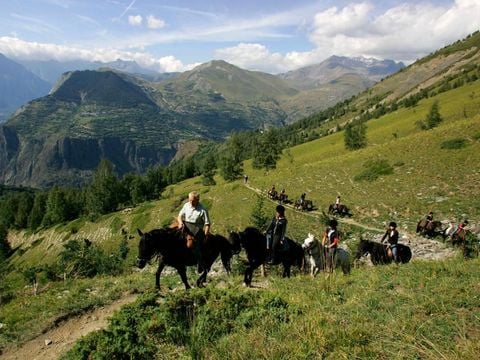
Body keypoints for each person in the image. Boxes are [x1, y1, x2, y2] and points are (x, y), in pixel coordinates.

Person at [177, 191, 211, 271]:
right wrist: (180, 222)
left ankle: (200, 262)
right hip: (186, 227)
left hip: (196, 230)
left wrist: (205, 235)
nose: (190, 202)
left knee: (192, 245)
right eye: (189, 200)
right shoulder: (186, 205)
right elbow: (179, 216)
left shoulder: (203, 210)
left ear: (197, 200)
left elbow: (207, 224)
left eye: (192, 200)